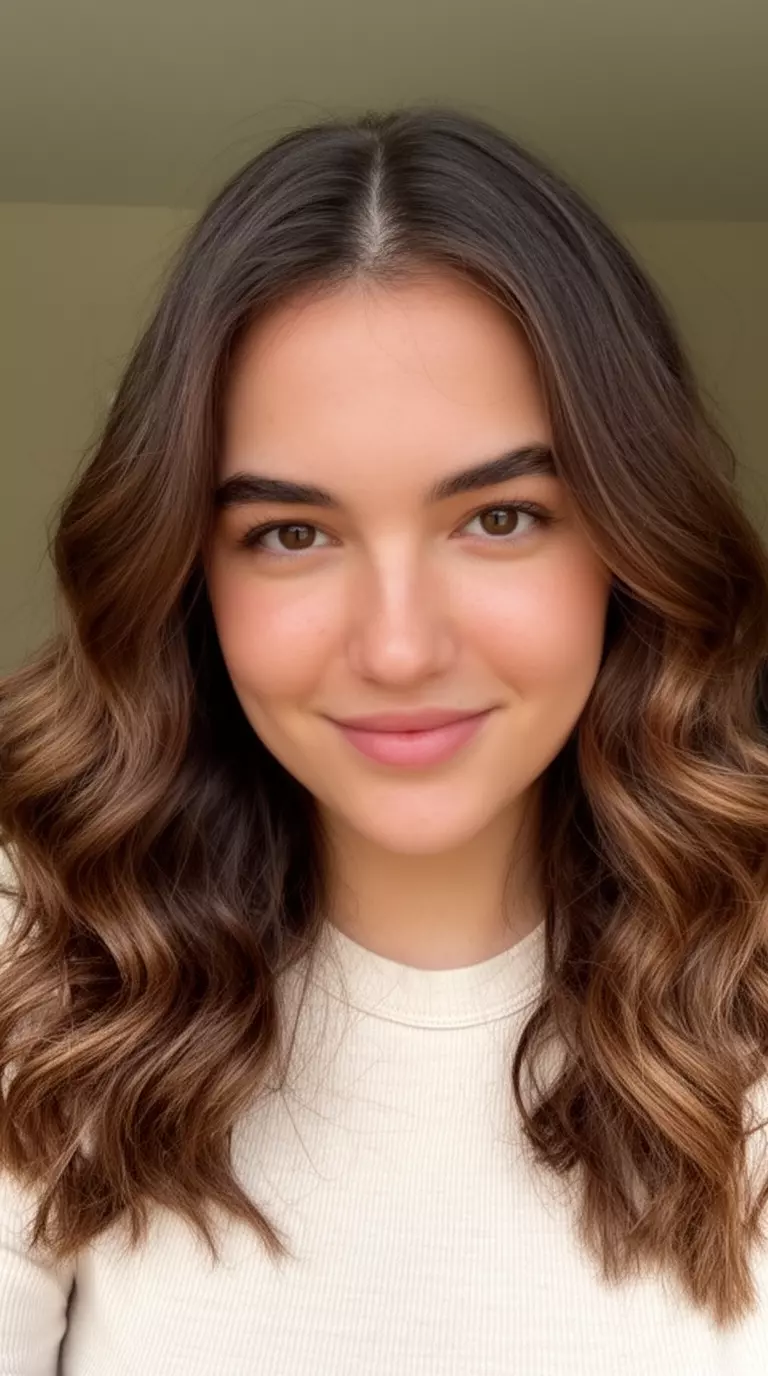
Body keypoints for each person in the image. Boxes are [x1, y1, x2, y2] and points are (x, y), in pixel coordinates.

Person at [1, 105, 767, 1375]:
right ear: (190, 573)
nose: (399, 647)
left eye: (501, 516)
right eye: (292, 534)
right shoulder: (43, 978)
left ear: (628, 544)